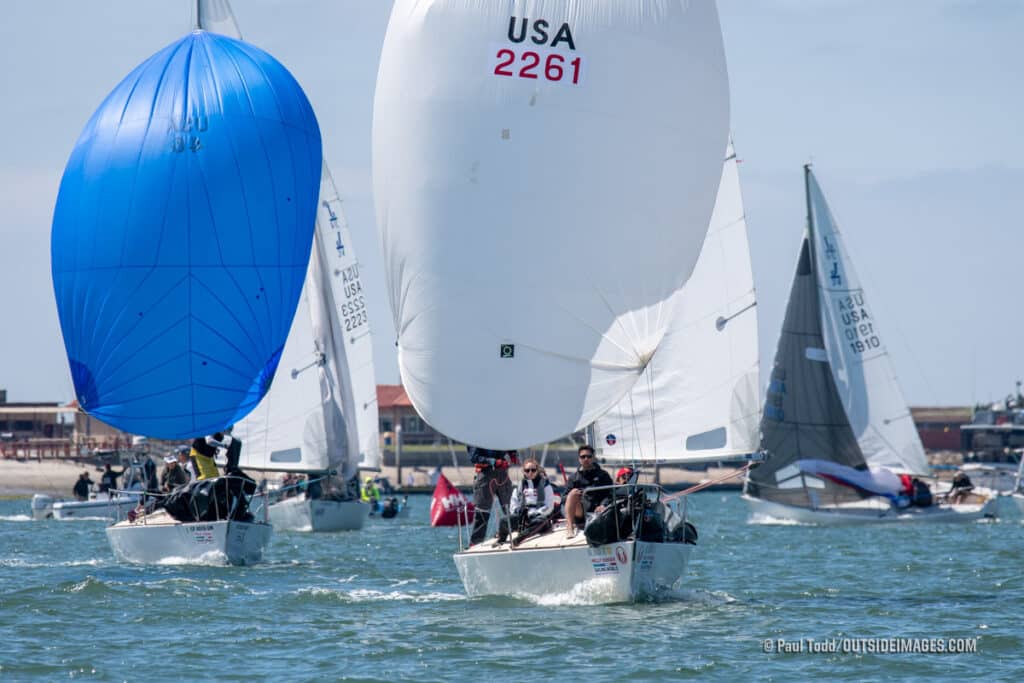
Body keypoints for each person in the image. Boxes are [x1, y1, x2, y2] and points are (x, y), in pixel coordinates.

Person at [468, 445, 517, 545]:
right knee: (482, 512)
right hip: (485, 476)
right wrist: (493, 461)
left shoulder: (498, 434)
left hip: (502, 474)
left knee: (512, 507)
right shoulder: (474, 437)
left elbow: (508, 443)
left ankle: (517, 533)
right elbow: (474, 457)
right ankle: (475, 543)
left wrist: (513, 453)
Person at [563, 444, 613, 538]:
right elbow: (563, 498)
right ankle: (570, 527)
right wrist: (573, 494)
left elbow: (610, 494)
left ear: (593, 458)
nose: (586, 459)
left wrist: (603, 505)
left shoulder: (603, 475)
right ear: (579, 459)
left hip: (598, 511)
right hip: (580, 512)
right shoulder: (573, 478)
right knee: (572, 493)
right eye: (583, 457)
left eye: (589, 456)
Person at [509, 457, 555, 545]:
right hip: (523, 518)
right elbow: (513, 504)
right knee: (504, 520)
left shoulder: (545, 486)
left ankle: (521, 537)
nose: (530, 472)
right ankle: (500, 538)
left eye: (533, 470)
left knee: (541, 522)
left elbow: (550, 505)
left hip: (539, 516)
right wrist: (518, 511)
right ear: (524, 471)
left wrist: (537, 513)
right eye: (527, 470)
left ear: (537, 470)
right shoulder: (519, 487)